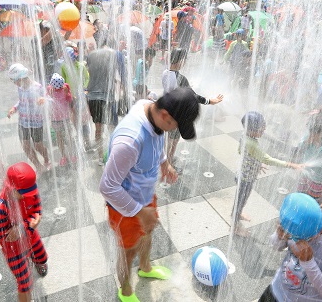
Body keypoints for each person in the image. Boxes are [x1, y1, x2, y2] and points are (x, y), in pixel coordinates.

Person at [100, 87, 199, 302]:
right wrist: (139, 211)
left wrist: (164, 162)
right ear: (165, 115)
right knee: (128, 251)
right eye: (174, 126)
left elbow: (157, 137)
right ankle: (125, 290)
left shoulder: (150, 108)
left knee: (147, 234)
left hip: (144, 197)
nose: (173, 132)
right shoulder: (129, 141)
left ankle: (145, 267)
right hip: (124, 207)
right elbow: (107, 187)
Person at [259, 192, 322, 302]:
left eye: (297, 238)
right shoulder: (293, 218)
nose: (293, 240)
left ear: (317, 232)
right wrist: (279, 236)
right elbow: (276, 247)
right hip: (275, 293)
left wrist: (309, 263)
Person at [234, 111, 303, 236]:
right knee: (241, 200)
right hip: (245, 179)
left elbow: (241, 151)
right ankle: (235, 225)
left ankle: (237, 212)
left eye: (264, 126)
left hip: (243, 174)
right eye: (261, 128)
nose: (264, 129)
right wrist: (290, 165)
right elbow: (267, 159)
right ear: (251, 130)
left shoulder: (244, 136)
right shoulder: (251, 143)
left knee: (241, 199)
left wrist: (255, 163)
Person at [0, 162, 48, 302]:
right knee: (25, 284)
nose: (28, 196)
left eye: (31, 192)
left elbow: (37, 211)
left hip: (32, 237)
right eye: (23, 193)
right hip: (14, 251)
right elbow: (5, 238)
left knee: (42, 257)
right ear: (11, 188)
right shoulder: (0, 209)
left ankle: (38, 262)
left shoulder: (30, 193)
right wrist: (28, 225)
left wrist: (23, 228)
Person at [161, 49, 224, 167]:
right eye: (184, 60)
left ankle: (165, 158)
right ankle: (169, 161)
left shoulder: (165, 72)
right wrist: (210, 101)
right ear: (180, 61)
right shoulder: (181, 78)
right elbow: (194, 97)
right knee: (174, 141)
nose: (184, 63)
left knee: (168, 137)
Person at [7, 63, 51, 174]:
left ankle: (46, 159)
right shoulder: (20, 88)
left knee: (38, 146)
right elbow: (21, 101)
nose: (14, 83)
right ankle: (38, 166)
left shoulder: (37, 87)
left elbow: (47, 98)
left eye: (15, 80)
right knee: (25, 146)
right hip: (23, 122)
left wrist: (43, 100)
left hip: (36, 122)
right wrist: (14, 108)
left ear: (21, 78)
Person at [87, 42, 121, 165]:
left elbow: (90, 73)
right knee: (113, 127)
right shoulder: (113, 55)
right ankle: (115, 155)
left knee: (98, 128)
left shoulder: (91, 55)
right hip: (107, 96)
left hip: (93, 96)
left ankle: (101, 157)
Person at [47, 73, 76, 166]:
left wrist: (68, 93)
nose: (58, 89)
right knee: (59, 138)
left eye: (59, 88)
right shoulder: (50, 90)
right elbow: (47, 102)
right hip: (55, 119)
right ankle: (63, 156)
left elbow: (70, 101)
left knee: (69, 136)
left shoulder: (65, 89)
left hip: (66, 118)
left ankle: (72, 155)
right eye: (56, 88)